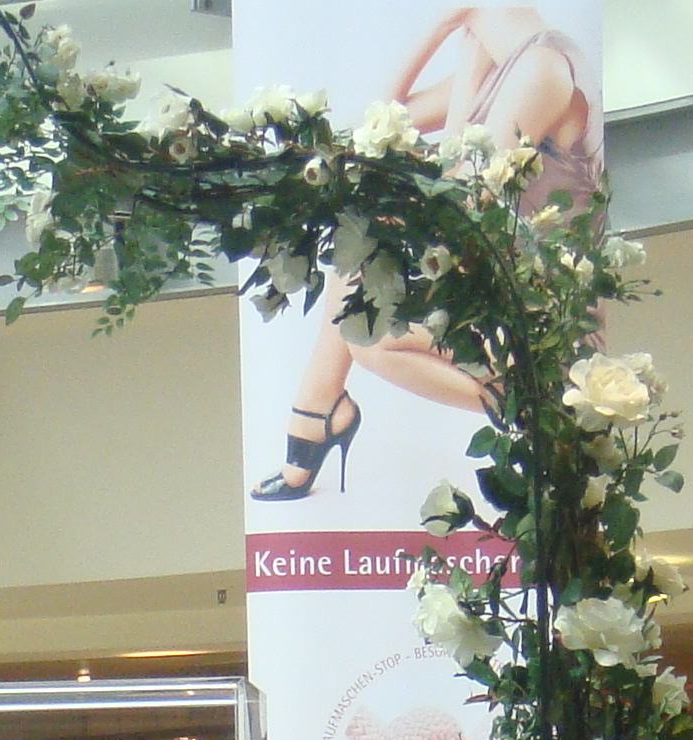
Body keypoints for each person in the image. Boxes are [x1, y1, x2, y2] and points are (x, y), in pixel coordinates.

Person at [253, 7, 605, 499]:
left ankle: (534, 405)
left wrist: (463, 77)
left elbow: (460, 207)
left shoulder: (541, 70)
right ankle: (318, 403)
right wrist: (441, 33)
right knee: (367, 200)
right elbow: (372, 135)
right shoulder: (504, 64)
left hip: (544, 326)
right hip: (499, 291)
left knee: (370, 338)